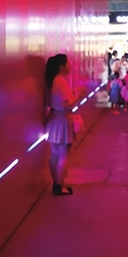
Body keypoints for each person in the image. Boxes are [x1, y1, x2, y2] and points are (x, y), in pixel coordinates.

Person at [45, 54, 77, 196]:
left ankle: (56, 183)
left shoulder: (51, 81)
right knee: (64, 155)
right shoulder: (61, 83)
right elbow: (67, 104)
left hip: (53, 118)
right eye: (68, 63)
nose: (70, 66)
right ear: (61, 67)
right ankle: (59, 186)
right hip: (62, 120)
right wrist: (78, 95)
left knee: (54, 154)